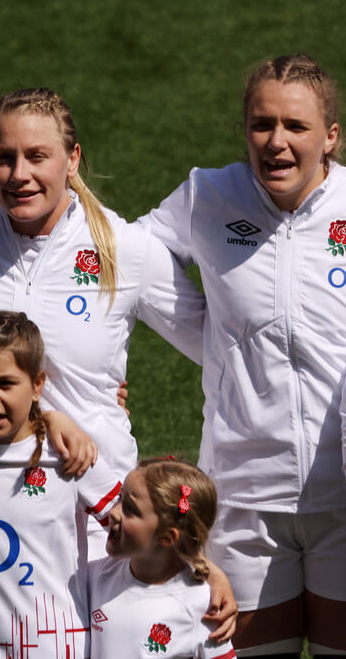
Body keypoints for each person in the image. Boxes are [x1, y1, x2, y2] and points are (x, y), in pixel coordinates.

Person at [0, 87, 206, 655]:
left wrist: (205, 572)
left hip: (90, 511)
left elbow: (221, 344)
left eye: (37, 156)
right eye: (3, 158)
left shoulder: (124, 248)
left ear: (72, 158)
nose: (19, 174)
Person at [135, 55, 346, 657]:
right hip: (244, 501)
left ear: (330, 136)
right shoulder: (209, 195)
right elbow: (126, 258)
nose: (276, 142)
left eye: (296, 126)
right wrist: (212, 342)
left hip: (344, 498)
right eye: (261, 124)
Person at [0, 312, 232, 659]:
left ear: (37, 385)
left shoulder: (69, 454)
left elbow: (151, 527)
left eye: (6, 383)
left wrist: (209, 573)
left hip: (56, 647)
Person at [86, 458, 236, 659]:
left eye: (130, 509)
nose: (113, 512)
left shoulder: (200, 605)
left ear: (167, 537)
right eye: (120, 498)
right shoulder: (94, 577)